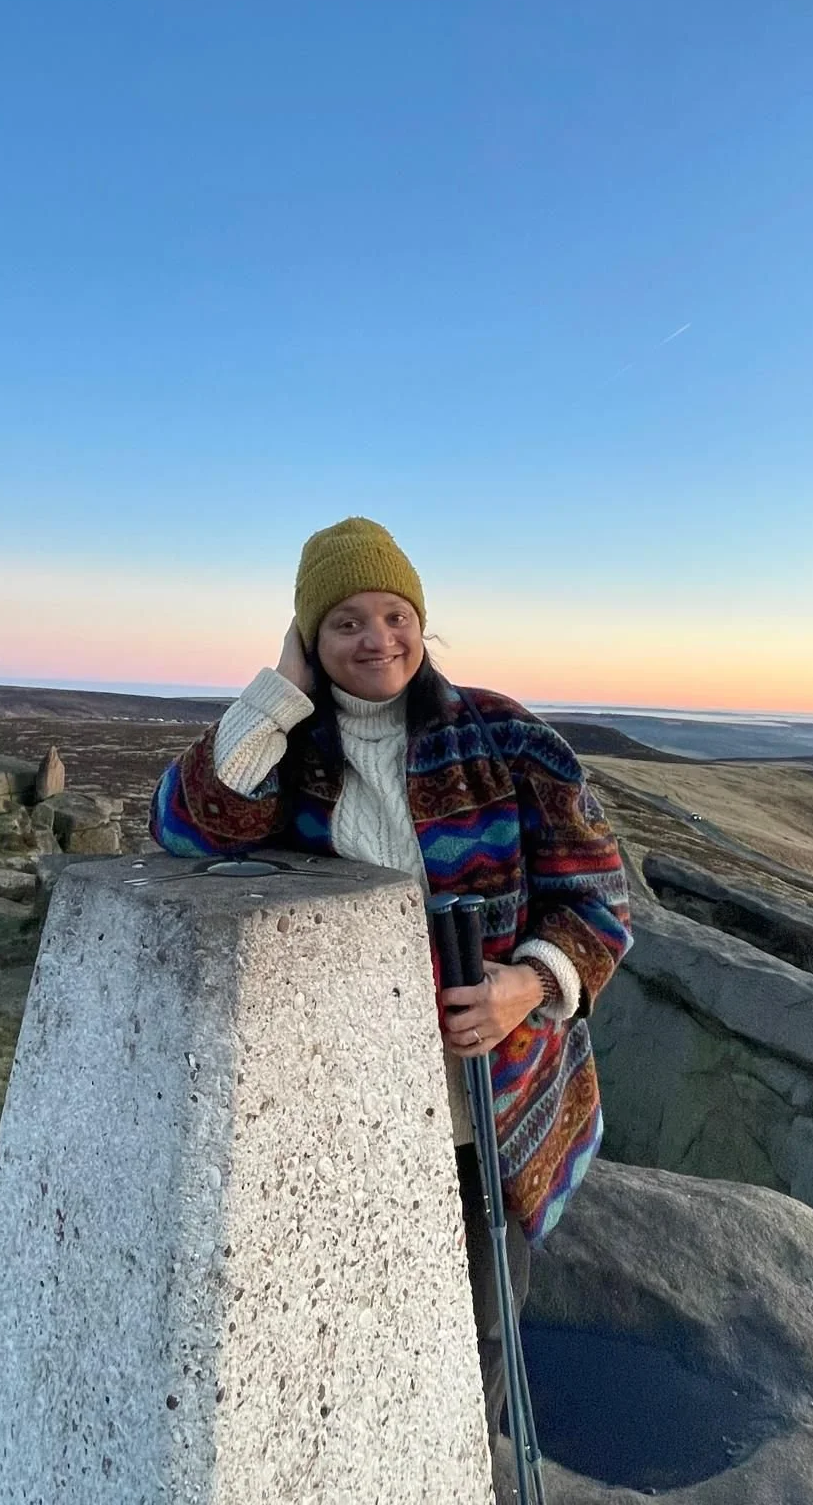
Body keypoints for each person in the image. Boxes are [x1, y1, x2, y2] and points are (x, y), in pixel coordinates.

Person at [149, 517, 632, 1449]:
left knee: (485, 1320)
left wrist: (526, 986)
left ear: (423, 622)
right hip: (342, 1103)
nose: (378, 640)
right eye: (344, 624)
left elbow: (599, 898)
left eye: (395, 614)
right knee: (346, 1320)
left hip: (485, 1104)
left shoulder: (503, 736)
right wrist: (279, 695)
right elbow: (185, 830)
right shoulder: (291, 750)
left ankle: (460, 1463)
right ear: (308, 640)